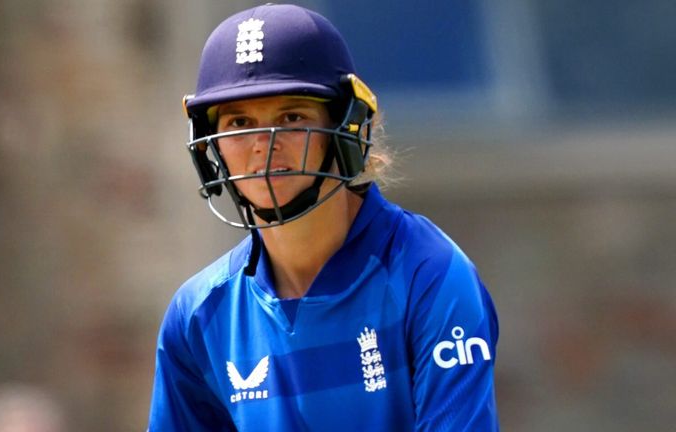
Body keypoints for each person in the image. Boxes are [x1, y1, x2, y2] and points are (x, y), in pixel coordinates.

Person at [148, 4, 499, 431]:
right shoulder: (197, 316)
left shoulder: (430, 275)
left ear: (347, 128)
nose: (263, 144)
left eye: (291, 117)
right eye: (239, 122)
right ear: (212, 147)